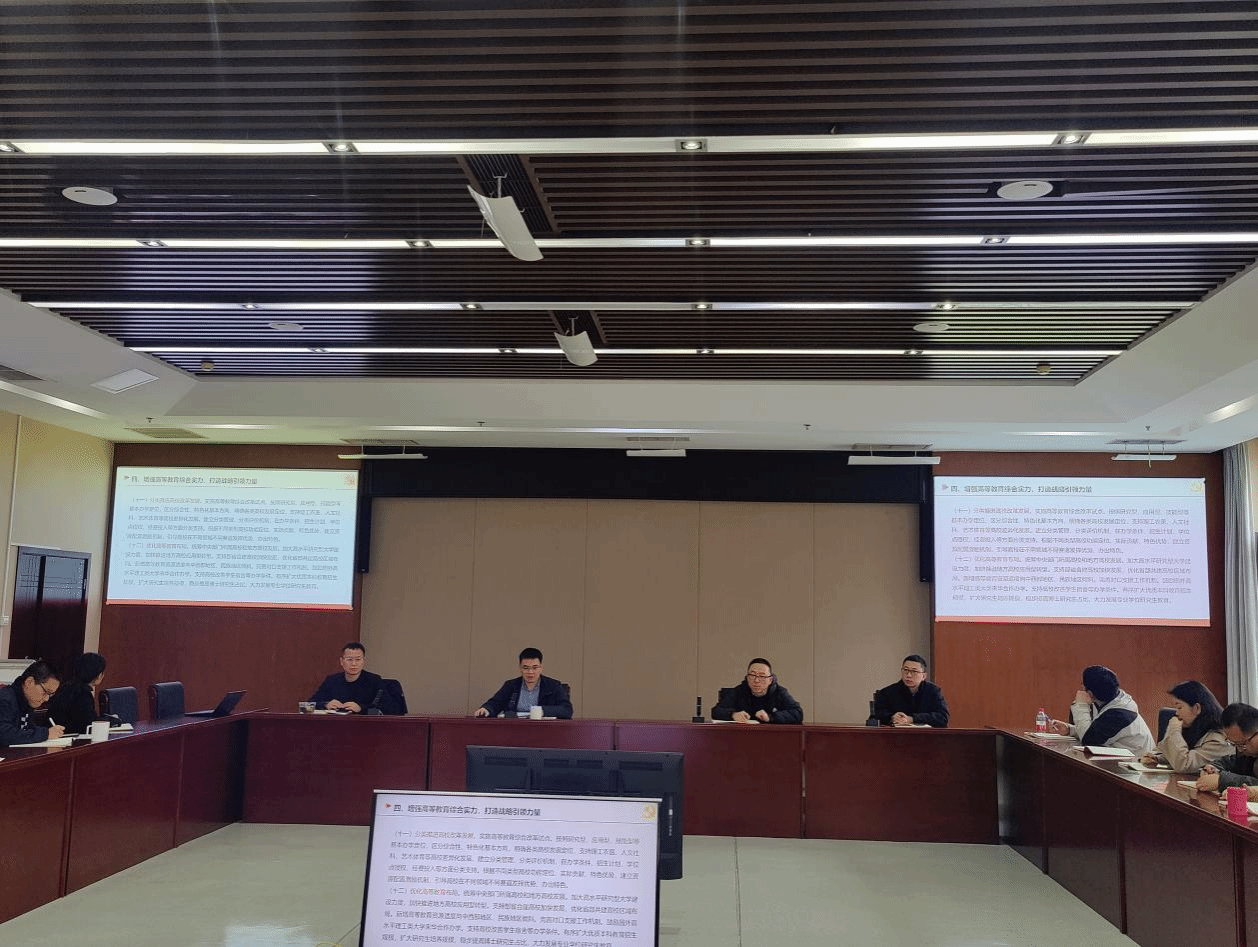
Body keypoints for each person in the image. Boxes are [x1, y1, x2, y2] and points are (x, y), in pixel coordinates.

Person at [1049, 665, 1155, 754]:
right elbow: (1098, 733)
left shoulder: (1120, 713)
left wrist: (1081, 705)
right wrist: (1070, 730)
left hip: (1135, 766)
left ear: (1090, 693)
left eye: (1083, 686)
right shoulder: (1109, 700)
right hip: (1118, 759)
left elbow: (1088, 740)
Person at [1138, 679, 1229, 773]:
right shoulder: (1194, 727)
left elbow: (1184, 765)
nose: (1177, 713)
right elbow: (1167, 751)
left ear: (1196, 708)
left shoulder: (1217, 739)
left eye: (1179, 707)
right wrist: (1157, 758)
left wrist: (1174, 730)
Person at [475, 647, 572, 719]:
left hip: (544, 730)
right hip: (514, 729)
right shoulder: (511, 685)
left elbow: (566, 710)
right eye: (526, 668)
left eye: (535, 668)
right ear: (520, 668)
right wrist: (486, 709)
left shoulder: (553, 686)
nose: (530, 672)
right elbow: (495, 703)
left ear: (541, 668)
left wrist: (541, 711)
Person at [711, 658, 803, 724]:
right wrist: (733, 715)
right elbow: (716, 711)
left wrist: (770, 717)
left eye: (762, 676)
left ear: (770, 679)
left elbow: (797, 713)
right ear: (747, 677)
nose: (757, 680)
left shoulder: (779, 692)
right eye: (752, 675)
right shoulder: (739, 691)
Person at [0, 660, 66, 746]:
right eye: (46, 692)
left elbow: (25, 730)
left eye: (50, 694)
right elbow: (4, 735)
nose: (46, 699)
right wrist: (45, 734)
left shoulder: (25, 701)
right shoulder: (5, 699)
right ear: (29, 682)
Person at [873, 653, 949, 727]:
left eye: (914, 671)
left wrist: (912, 719)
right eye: (905, 670)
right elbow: (875, 716)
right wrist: (892, 717)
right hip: (897, 734)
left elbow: (943, 717)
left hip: (926, 734)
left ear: (924, 676)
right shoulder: (887, 693)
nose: (908, 675)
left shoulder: (933, 691)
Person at [1196, 702, 1258, 793]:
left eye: (1242, 744)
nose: (1240, 750)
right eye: (1235, 744)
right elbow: (1231, 762)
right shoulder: (1248, 752)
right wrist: (1213, 768)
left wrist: (1222, 781)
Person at [47, 652, 111, 736]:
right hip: (67, 737)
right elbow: (88, 724)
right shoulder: (83, 694)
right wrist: (109, 721)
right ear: (99, 675)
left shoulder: (66, 687)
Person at [308, 642, 382, 713]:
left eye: (358, 659)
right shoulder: (332, 680)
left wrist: (360, 708)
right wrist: (326, 704)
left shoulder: (375, 680)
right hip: (336, 720)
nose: (354, 664)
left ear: (364, 661)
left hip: (362, 721)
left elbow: (383, 708)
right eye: (349, 659)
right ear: (341, 661)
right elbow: (311, 703)